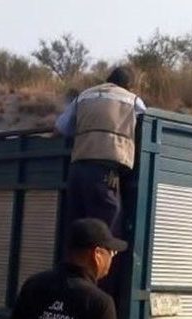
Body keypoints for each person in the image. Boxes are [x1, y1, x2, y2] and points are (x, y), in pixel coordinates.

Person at [55, 66, 146, 237]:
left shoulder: (84, 96)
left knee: (77, 230)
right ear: (130, 85)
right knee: (106, 230)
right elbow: (147, 127)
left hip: (77, 170)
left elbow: (61, 128)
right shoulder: (133, 101)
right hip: (104, 171)